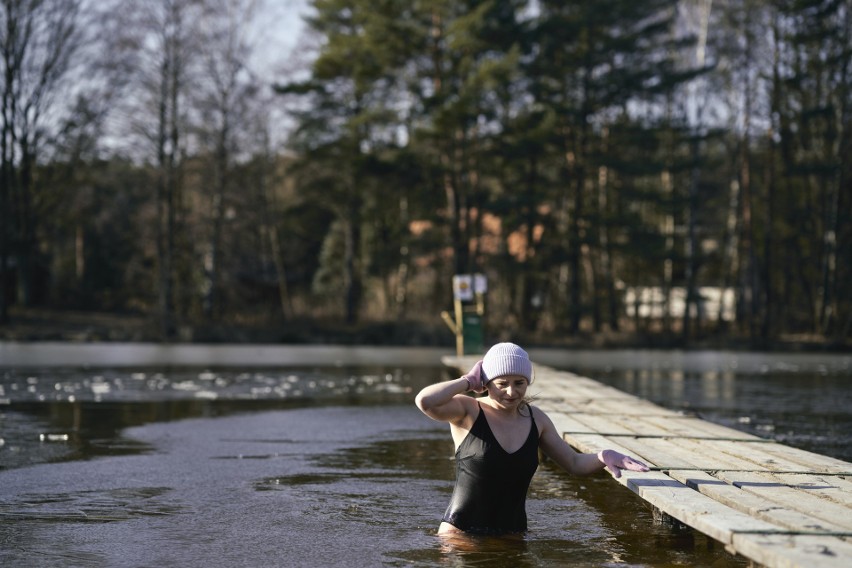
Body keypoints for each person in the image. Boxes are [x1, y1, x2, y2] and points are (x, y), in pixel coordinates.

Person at [415, 342, 649, 536]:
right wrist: (467, 381)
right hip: (460, 535)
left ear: (528, 381)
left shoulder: (537, 420)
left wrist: (603, 456)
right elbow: (425, 401)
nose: (511, 392)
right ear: (485, 383)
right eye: (501, 384)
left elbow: (574, 464)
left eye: (519, 383)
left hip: (513, 535)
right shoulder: (468, 410)